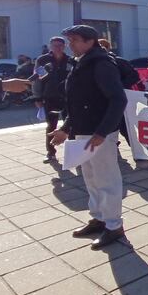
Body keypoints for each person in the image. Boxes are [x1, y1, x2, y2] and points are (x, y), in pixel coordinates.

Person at [48, 25, 128, 250]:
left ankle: (114, 226)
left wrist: (102, 132)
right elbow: (78, 103)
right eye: (69, 40)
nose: (70, 44)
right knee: (91, 179)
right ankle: (99, 218)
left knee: (107, 180)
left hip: (99, 134)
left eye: (74, 40)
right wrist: (65, 128)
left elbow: (118, 100)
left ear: (90, 41)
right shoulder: (82, 62)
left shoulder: (102, 64)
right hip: (83, 132)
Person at [33, 36, 73, 163]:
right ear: (50, 46)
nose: (57, 48)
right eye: (55, 45)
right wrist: (37, 97)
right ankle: (51, 152)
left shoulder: (70, 60)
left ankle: (73, 152)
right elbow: (37, 80)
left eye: (60, 45)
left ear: (64, 46)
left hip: (68, 97)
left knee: (71, 124)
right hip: (50, 96)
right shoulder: (43, 60)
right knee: (51, 125)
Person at [99, 39, 139, 146]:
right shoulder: (94, 63)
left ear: (108, 48)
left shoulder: (119, 61)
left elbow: (134, 76)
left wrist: (119, 86)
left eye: (103, 47)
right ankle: (113, 146)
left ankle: (136, 150)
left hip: (119, 99)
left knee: (124, 127)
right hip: (102, 101)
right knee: (107, 127)